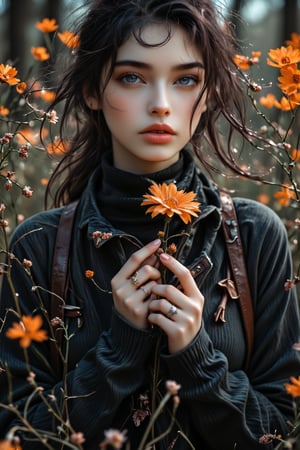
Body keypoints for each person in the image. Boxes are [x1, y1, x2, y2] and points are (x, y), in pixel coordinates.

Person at [0, 0, 299, 449]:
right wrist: (118, 350)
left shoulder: (256, 236)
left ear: (210, 93)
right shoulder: (39, 246)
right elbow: (16, 435)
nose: (160, 105)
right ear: (92, 92)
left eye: (186, 80)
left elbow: (283, 431)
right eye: (132, 77)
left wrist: (198, 357)